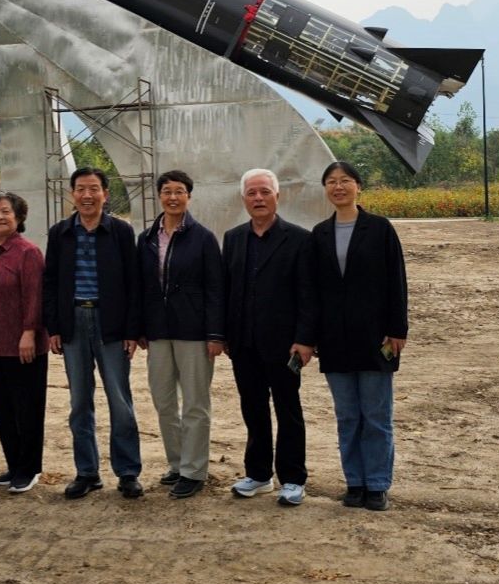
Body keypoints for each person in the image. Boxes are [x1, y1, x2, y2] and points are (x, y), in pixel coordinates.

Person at [309, 160, 408, 512]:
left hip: (375, 337)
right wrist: (311, 334)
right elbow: (312, 290)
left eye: (346, 180)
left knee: (376, 416)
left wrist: (397, 329)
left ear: (358, 187)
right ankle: (355, 482)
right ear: (325, 189)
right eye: (332, 181)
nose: (339, 187)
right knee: (348, 416)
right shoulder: (319, 233)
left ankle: (377, 484)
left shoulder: (380, 229)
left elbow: (396, 280)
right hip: (334, 339)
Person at [43, 166, 143, 500]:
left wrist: (132, 329)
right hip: (73, 323)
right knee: (79, 402)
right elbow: (50, 283)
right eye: (81, 189)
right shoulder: (60, 233)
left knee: (120, 401)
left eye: (94, 189)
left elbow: (133, 283)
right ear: (72, 194)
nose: (87, 195)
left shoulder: (121, 232)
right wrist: (54, 327)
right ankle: (87, 472)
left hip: (111, 324)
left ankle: (127, 471)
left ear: (105, 194)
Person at [222, 168, 317, 506]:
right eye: (251, 193)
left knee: (288, 409)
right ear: (243, 199)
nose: (258, 198)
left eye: (264, 192)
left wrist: (305, 339)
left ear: (278, 196)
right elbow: (227, 290)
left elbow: (308, 294)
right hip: (243, 343)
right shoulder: (233, 238)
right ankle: (259, 474)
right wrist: (224, 335)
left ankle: (293, 478)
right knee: (253, 408)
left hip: (284, 344)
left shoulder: (299, 239)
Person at [137, 170, 224, 498]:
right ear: (159, 196)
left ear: (189, 196)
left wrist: (215, 334)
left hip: (194, 332)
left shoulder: (203, 238)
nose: (173, 197)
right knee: (163, 400)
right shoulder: (146, 238)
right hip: (158, 332)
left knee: (195, 404)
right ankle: (177, 463)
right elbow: (140, 287)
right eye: (167, 191)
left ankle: (194, 470)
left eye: (179, 192)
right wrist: (139, 328)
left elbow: (215, 288)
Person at [0, 191, 48, 494]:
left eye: (6, 212)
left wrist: (29, 332)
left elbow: (35, 296)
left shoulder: (28, 252)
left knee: (27, 409)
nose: (0, 217)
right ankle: (14, 463)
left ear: (19, 217)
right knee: (2, 408)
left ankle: (29, 468)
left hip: (22, 346)